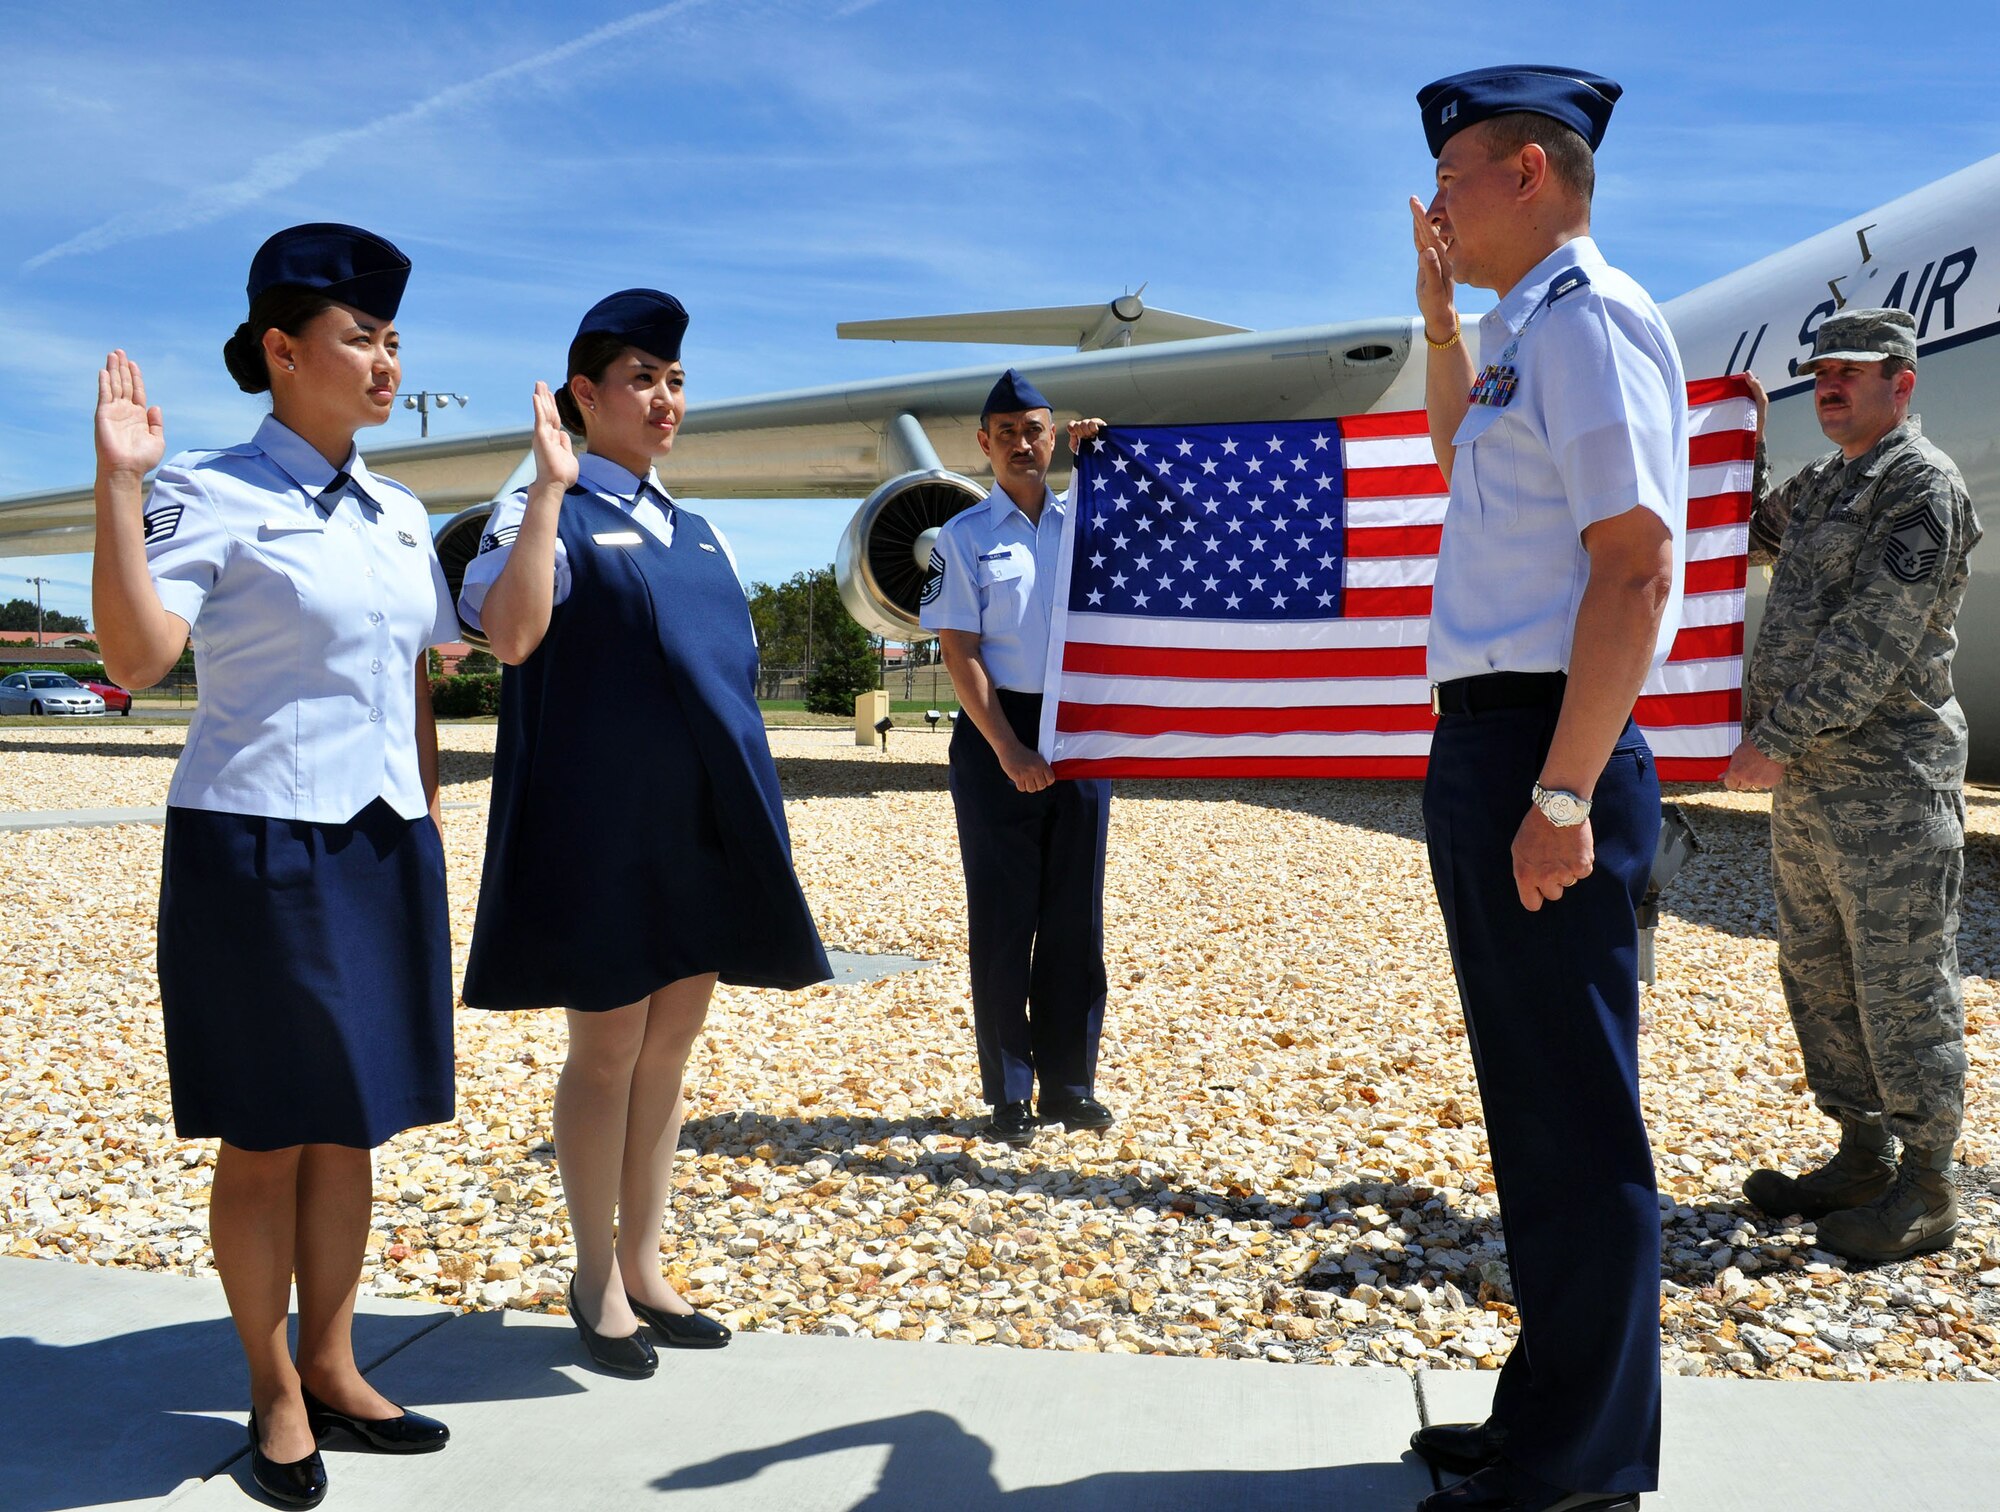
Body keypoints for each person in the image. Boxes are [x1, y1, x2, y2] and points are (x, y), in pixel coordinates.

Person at [90, 223, 457, 1509]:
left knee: (352, 1121)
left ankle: (338, 1359)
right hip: (258, 843)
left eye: (392, 338)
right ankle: (272, 1383)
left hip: (379, 839)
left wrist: (425, 812)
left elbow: (415, 671)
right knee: (266, 1131)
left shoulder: (401, 514)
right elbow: (137, 661)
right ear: (281, 351)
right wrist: (120, 489)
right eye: (359, 338)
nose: (385, 360)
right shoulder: (207, 490)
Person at [1402, 68, 1685, 1512]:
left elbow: (1633, 563)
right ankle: (1549, 1425)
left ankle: (1579, 1471)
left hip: (1544, 745)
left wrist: (1564, 795)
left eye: (1452, 176)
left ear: (1526, 170)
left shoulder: (1595, 321)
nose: (1436, 203)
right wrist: (1442, 314)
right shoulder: (1523, 335)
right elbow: (1461, 438)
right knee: (1536, 1116)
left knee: (1578, 1122)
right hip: (1501, 737)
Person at [458, 289, 830, 1378]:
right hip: (600, 830)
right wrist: (544, 495)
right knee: (608, 1049)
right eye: (639, 379)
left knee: (668, 1050)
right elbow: (511, 635)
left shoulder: (698, 528)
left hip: (700, 830)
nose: (663, 399)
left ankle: (647, 1263)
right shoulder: (543, 507)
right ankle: (591, 1274)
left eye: (673, 381)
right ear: (584, 396)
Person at [1725, 310, 1980, 1264]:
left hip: (1890, 785)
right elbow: (1742, 533)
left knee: (1904, 981)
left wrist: (1775, 737)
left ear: (1901, 382)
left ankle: (1927, 1185)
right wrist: (1737, 448)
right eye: (1820, 372)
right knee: (1822, 974)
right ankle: (1861, 1154)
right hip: (1817, 787)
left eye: (1851, 373)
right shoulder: (1828, 484)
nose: (1828, 387)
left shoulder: (1920, 487)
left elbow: (1876, 635)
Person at [919, 370, 1110, 1148]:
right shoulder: (964, 538)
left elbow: (1168, 537)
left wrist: (1107, 459)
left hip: (1081, 727)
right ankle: (1008, 1090)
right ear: (985, 444)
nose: (1023, 444)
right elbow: (958, 651)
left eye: (1036, 430)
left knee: (1074, 917)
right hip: (999, 723)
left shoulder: (1090, 519)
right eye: (1008, 433)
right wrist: (1007, 746)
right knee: (1003, 920)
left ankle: (1070, 1087)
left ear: (1053, 432)